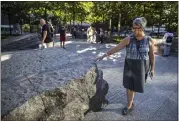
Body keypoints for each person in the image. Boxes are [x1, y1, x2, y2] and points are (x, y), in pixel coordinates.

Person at [95, 17, 155, 115]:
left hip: (142, 67)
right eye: (133, 28)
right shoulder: (128, 39)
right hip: (130, 66)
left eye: (137, 28)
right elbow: (117, 48)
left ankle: (131, 101)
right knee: (129, 86)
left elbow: (152, 56)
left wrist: (152, 69)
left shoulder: (149, 40)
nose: (135, 30)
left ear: (142, 28)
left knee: (135, 86)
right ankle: (129, 105)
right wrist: (104, 55)